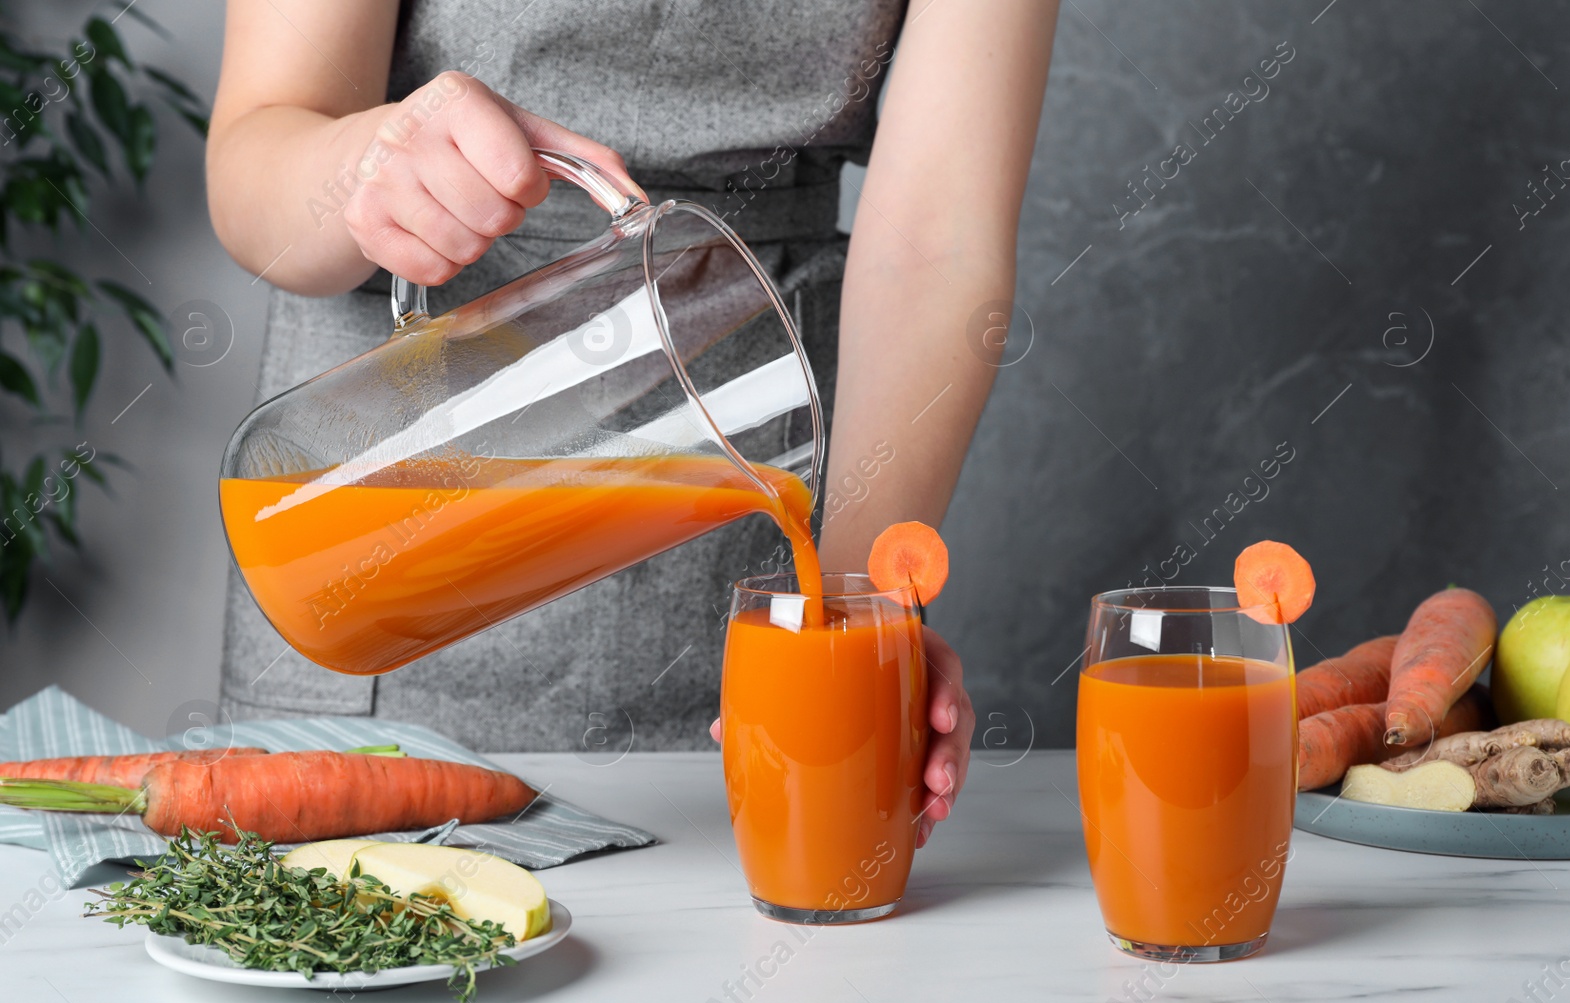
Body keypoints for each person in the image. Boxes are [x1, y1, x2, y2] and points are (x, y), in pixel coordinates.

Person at [206, 0, 1059, 848]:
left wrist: (847, 617)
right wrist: (363, 166)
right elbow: (258, 149)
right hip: (381, 492)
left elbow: (936, 240)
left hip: (746, 495)